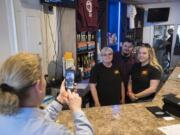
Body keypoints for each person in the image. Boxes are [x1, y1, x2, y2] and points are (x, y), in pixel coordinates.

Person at [0, 53, 93, 135]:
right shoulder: (55, 132)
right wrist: (77, 110)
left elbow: (36, 120)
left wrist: (60, 99)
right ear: (39, 86)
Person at [112, 38, 136, 103]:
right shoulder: (113, 57)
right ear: (121, 45)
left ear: (133, 48)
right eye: (125, 46)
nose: (127, 48)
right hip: (115, 90)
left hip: (130, 90)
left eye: (130, 47)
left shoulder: (135, 59)